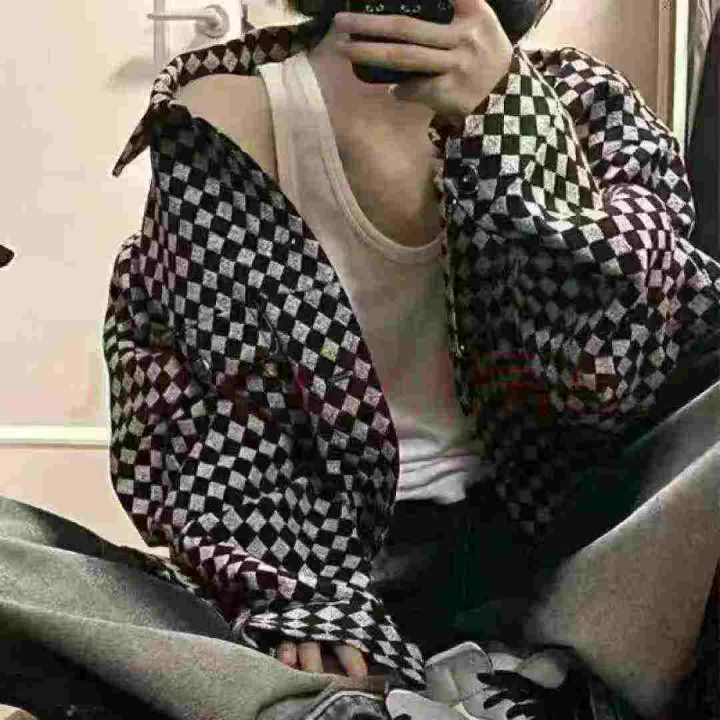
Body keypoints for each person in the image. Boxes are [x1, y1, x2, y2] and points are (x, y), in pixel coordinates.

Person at [105, 0, 720, 716]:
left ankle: (549, 672)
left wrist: (515, 128)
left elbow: (613, 377)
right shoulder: (224, 114)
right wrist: (292, 591)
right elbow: (200, 415)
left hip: (568, 539)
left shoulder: (587, 104)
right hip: (345, 557)